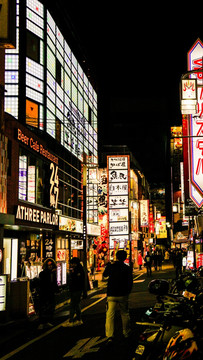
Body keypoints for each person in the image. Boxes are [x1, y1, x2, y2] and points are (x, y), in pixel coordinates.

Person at [103, 250, 133, 343]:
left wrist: (108, 265)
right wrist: (128, 292)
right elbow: (130, 282)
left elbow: (104, 275)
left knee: (110, 314)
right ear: (125, 258)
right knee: (124, 313)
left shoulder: (111, 266)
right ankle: (126, 332)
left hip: (111, 293)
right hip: (123, 294)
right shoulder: (127, 268)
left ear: (116, 256)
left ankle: (109, 335)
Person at [63, 257, 85, 327]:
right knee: (76, 304)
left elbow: (76, 280)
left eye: (72, 263)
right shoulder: (79, 269)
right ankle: (79, 319)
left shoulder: (77, 270)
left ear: (75, 263)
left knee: (73, 305)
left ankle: (71, 320)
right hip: (77, 289)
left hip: (76, 289)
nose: (71, 265)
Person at [38, 258, 57, 330]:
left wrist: (56, 290)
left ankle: (47, 321)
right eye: (49, 265)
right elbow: (43, 283)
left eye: (51, 265)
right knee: (43, 308)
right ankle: (41, 322)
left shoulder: (53, 273)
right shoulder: (42, 273)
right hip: (44, 293)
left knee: (50, 308)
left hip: (51, 292)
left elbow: (54, 283)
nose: (50, 266)